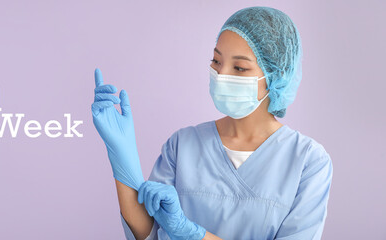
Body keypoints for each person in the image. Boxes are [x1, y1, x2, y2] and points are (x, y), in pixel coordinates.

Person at [91, 6, 333, 240]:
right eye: (217, 61)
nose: (222, 75)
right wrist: (121, 156)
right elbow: (150, 233)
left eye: (239, 68)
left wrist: (193, 234)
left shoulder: (307, 161)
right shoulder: (182, 145)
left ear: (277, 76)